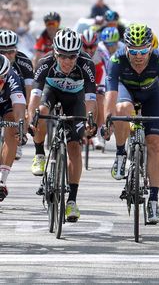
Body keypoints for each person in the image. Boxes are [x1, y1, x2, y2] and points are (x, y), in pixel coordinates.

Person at [104, 24, 159, 224]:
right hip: (125, 90)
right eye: (133, 51)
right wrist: (107, 121)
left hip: (151, 95)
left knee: (155, 144)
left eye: (143, 51)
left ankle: (153, 200)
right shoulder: (116, 59)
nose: (138, 56)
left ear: (150, 48)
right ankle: (121, 154)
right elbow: (110, 94)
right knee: (122, 108)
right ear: (126, 47)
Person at [28, 28, 96, 222]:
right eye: (63, 56)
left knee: (74, 146)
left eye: (72, 56)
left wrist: (90, 119)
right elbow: (34, 96)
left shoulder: (86, 64)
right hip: (51, 92)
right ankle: (39, 154)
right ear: (55, 53)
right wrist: (32, 118)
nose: (67, 61)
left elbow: (91, 99)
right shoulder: (45, 62)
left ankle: (72, 201)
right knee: (40, 112)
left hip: (75, 99)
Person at [0, 29, 34, 160]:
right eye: (2, 51)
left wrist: (26, 113)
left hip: (17, 93)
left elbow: (29, 89)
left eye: (10, 52)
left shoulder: (24, 62)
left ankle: (18, 137)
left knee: (21, 107)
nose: (7, 55)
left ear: (16, 50)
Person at [0, 54, 27, 201]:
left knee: (13, 126)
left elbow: (19, 107)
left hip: (7, 104)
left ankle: (2, 180)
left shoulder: (12, 77)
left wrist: (21, 126)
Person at [81, 28, 106, 150]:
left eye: (92, 47)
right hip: (81, 77)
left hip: (97, 75)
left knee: (99, 99)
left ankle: (98, 132)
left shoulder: (101, 53)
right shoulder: (76, 52)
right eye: (86, 47)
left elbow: (107, 71)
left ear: (96, 45)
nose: (89, 50)